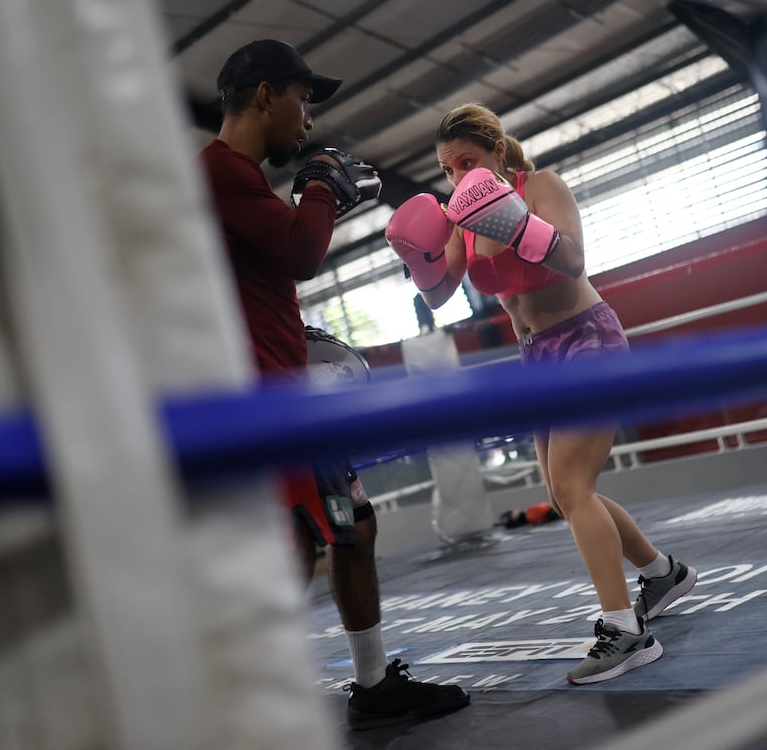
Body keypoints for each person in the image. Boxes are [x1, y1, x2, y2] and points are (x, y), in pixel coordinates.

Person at [197, 39, 470, 729]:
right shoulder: (219, 169)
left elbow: (282, 255)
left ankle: (373, 684)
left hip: (289, 389)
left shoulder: (242, 180)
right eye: (303, 100)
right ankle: (236, 712)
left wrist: (315, 201)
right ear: (265, 94)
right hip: (264, 401)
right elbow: (302, 253)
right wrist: (321, 186)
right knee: (295, 544)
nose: (308, 120)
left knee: (354, 527)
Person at [386, 103, 698, 685]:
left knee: (575, 488)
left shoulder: (542, 187)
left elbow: (575, 259)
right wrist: (419, 256)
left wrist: (519, 223)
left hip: (586, 339)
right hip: (536, 358)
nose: (457, 178)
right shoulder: (460, 219)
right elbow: (437, 296)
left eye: (466, 162)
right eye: (447, 170)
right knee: (563, 493)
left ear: (498, 153)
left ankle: (627, 633)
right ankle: (663, 574)